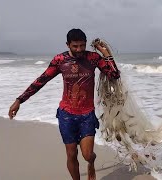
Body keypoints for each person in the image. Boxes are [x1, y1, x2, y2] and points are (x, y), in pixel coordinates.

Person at [8, 28, 120, 180]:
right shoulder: (60, 60)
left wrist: (106, 53)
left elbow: (114, 75)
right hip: (66, 114)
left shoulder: (93, 58)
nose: (79, 49)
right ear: (68, 45)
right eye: (75, 46)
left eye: (82, 45)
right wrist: (19, 100)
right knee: (71, 153)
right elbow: (41, 81)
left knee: (88, 155)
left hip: (87, 114)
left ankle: (91, 164)